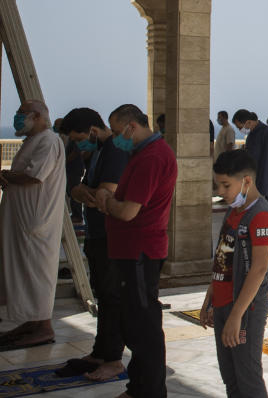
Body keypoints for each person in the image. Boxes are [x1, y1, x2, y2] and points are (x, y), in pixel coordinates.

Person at [94, 104, 177, 398]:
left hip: (140, 251)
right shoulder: (140, 154)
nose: (116, 137)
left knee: (144, 326)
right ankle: (139, 386)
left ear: (131, 126)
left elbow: (128, 210)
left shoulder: (152, 157)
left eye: (117, 132)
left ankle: (149, 391)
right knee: (134, 322)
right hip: (130, 250)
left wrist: (106, 201)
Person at [59, 108, 128, 381]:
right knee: (103, 296)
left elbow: (105, 193)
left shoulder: (114, 150)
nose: (78, 145)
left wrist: (90, 193)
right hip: (97, 233)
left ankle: (113, 359)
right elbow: (78, 188)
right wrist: (88, 193)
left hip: (111, 235)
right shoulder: (98, 150)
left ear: (92, 130)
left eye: (79, 138)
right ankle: (100, 352)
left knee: (113, 298)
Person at [201, 150, 268, 398]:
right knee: (230, 377)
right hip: (224, 304)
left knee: (248, 376)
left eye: (226, 185)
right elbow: (222, 257)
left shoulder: (261, 215)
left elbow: (258, 269)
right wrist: (209, 298)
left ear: (246, 181)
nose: (221, 191)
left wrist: (236, 316)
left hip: (245, 309)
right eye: (218, 185)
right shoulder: (234, 211)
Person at [0, 99, 65, 351]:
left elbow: (33, 176)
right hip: (24, 223)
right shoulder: (33, 141)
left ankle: (41, 325)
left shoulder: (48, 141)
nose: (17, 117)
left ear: (37, 116)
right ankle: (28, 322)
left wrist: (5, 175)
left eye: (21, 113)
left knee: (35, 274)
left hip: (35, 225)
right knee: (22, 273)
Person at [234, 109, 268, 273]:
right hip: (255, 188)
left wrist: (263, 191)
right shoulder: (254, 134)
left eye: (241, 126)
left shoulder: (266, 133)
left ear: (248, 122)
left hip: (266, 190)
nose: (242, 129)